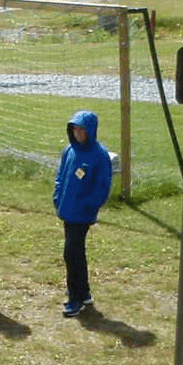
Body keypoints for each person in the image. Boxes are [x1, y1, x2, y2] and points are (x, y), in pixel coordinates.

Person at [52, 109, 114, 317]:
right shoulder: (69, 150)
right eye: (75, 130)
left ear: (91, 131)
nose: (78, 134)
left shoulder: (99, 155)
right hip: (67, 211)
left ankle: (75, 298)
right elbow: (60, 176)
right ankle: (84, 292)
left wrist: (89, 205)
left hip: (82, 214)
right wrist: (57, 196)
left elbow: (102, 186)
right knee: (76, 252)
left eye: (82, 130)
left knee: (71, 254)